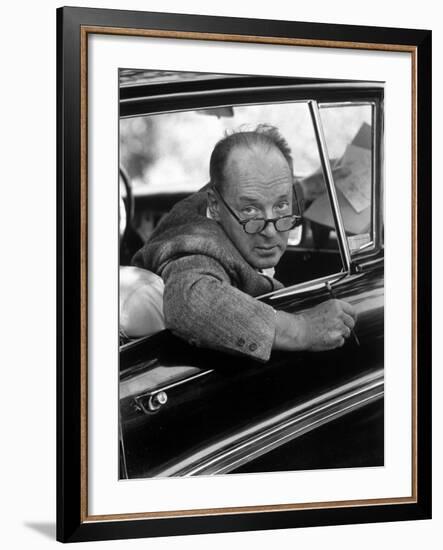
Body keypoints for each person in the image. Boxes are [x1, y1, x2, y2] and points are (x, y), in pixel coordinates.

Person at [132, 124, 356, 362]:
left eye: (282, 205)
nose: (270, 230)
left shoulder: (219, 200)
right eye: (250, 210)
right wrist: (301, 329)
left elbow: (263, 194)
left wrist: (307, 187)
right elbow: (190, 301)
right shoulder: (196, 249)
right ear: (215, 205)